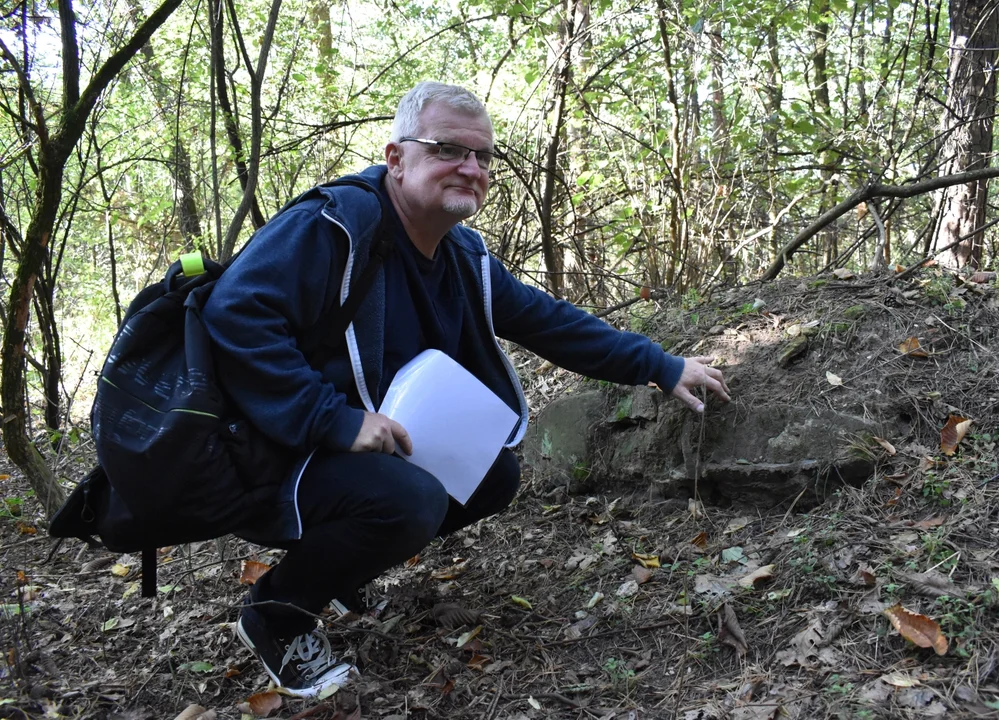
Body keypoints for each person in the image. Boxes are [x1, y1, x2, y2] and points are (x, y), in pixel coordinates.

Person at [200, 81, 730, 697]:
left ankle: (338, 568)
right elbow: (234, 314)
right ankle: (279, 612)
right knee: (412, 500)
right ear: (397, 158)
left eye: (483, 156)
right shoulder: (332, 227)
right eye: (448, 149)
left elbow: (547, 321)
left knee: (492, 475)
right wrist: (333, 420)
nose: (471, 168)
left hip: (344, 451)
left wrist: (661, 365)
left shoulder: (460, 255)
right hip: (267, 452)